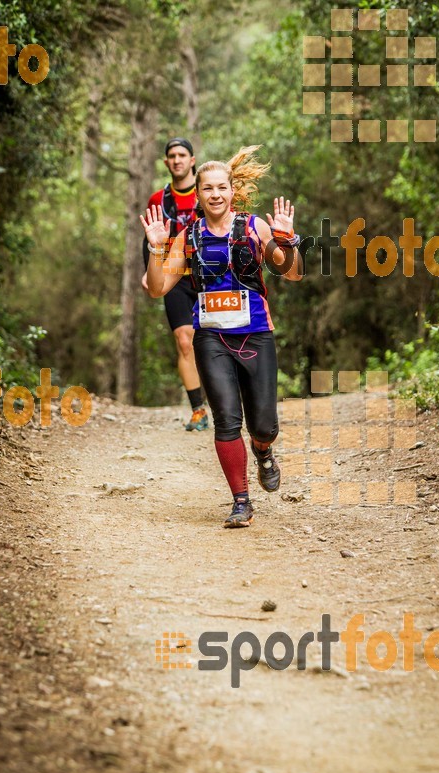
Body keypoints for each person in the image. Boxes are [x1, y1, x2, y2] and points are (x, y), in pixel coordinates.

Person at [140, 146, 302, 528]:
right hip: (211, 339)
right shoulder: (188, 236)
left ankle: (263, 452)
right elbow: (157, 288)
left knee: (264, 426)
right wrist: (155, 247)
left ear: (233, 191)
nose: (215, 194)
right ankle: (241, 501)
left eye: (221, 187)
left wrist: (287, 242)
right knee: (227, 420)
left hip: (256, 335)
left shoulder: (253, 228)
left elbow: (293, 274)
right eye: (207, 188)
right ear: (197, 195)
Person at [141, 137, 208, 431]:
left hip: (208, 273)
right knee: (184, 341)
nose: (177, 160)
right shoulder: (158, 200)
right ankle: (198, 410)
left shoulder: (206, 191)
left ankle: (229, 402)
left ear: (192, 160)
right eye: (172, 156)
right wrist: (149, 270)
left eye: (182, 155)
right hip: (174, 276)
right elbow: (150, 237)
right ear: (166, 162)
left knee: (217, 340)